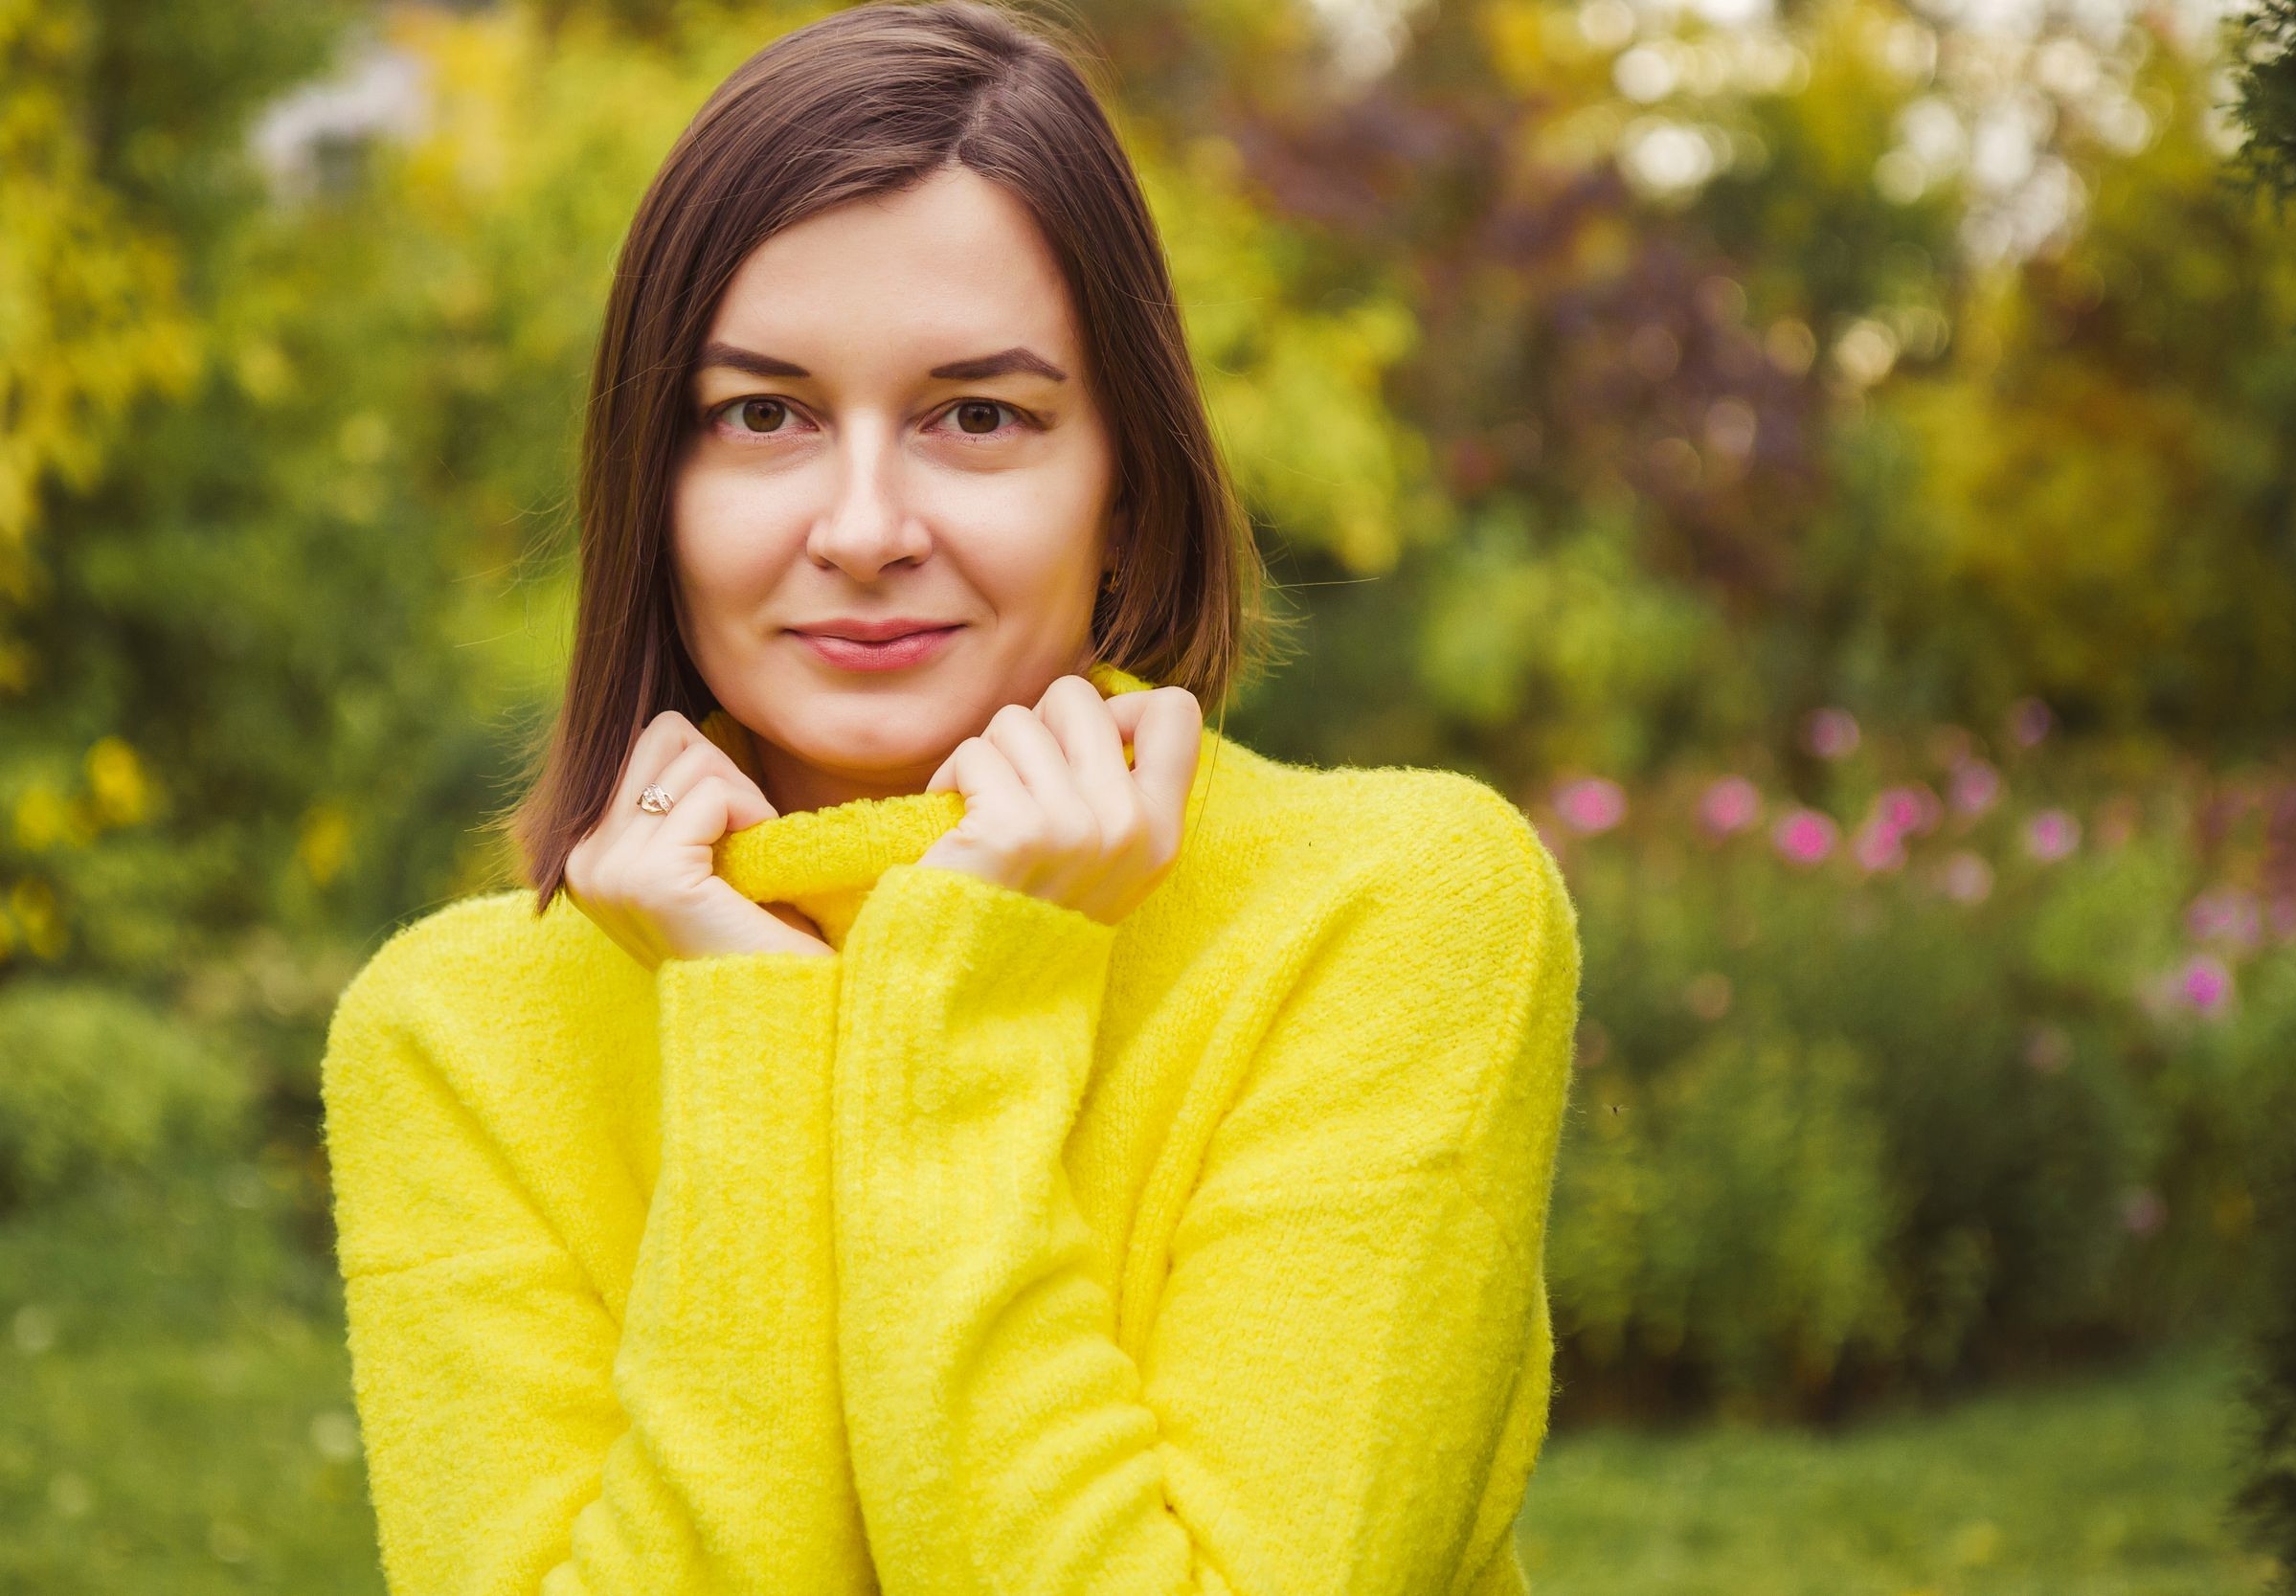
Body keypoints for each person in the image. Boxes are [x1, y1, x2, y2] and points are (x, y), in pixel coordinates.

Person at [316, 3, 1583, 1593]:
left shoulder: (1389, 916)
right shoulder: (452, 1037)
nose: (863, 529)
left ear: (1128, 488)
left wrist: (966, 1005)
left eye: (977, 416)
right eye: (761, 414)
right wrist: (752, 1027)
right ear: (657, 490)